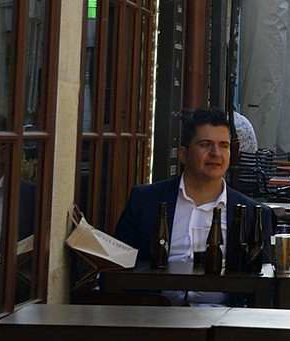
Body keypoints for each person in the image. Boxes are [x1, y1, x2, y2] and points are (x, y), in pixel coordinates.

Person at [113, 108, 269, 287]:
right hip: (156, 310)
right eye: (205, 144)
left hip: (224, 312)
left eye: (223, 146)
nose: (216, 153)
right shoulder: (144, 201)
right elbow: (117, 266)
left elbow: (264, 284)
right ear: (183, 154)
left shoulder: (252, 214)